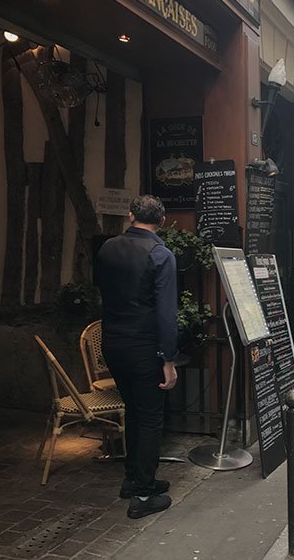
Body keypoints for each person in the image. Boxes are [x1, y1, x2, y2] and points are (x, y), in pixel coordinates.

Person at [95, 195, 179, 520]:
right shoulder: (160, 255)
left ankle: (133, 479)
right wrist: (168, 359)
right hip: (144, 346)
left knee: (133, 410)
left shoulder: (107, 249)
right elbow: (166, 313)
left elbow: (103, 292)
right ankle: (143, 494)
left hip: (112, 341)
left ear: (131, 216)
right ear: (162, 221)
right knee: (150, 418)